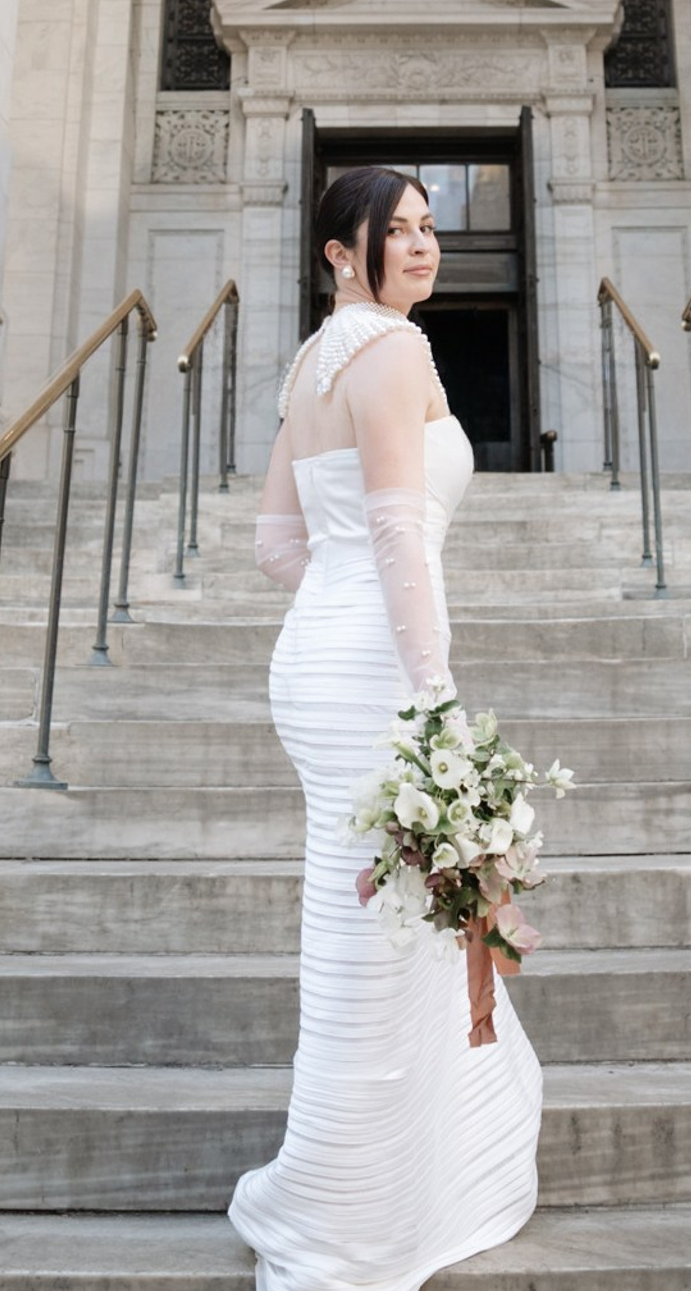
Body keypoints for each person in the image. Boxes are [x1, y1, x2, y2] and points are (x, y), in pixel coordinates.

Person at [228, 167, 541, 1288]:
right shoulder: (397, 352)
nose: (420, 244)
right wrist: (434, 692)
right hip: (373, 668)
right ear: (337, 250)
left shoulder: (310, 364)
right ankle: (353, 1207)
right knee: (384, 934)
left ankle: (362, 1176)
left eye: (428, 225)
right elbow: (402, 538)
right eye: (394, 229)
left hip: (315, 659)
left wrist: (340, 594)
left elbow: (276, 545)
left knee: (360, 923)